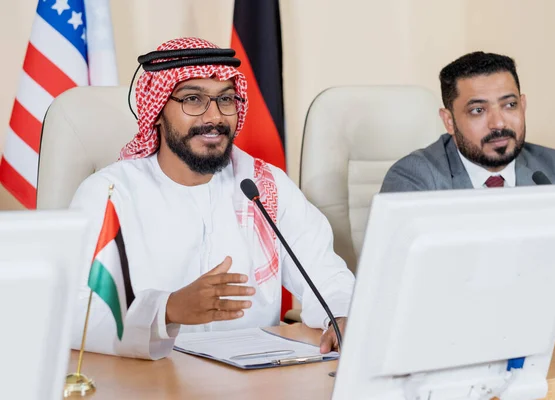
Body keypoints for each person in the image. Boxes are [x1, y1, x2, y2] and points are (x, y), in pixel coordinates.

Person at [69, 37, 355, 360]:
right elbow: (71, 310)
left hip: (255, 387)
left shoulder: (262, 185)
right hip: (151, 385)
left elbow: (327, 274)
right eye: (193, 99)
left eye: (226, 100)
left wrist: (342, 316)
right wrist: (167, 310)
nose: (215, 117)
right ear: (158, 110)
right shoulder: (110, 194)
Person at [381, 51, 555, 325]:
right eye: (478, 110)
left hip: (546, 340)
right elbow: (410, 282)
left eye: (509, 106)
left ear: (523, 105)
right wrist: (540, 300)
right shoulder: (416, 178)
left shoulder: (548, 166)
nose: (498, 123)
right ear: (449, 120)